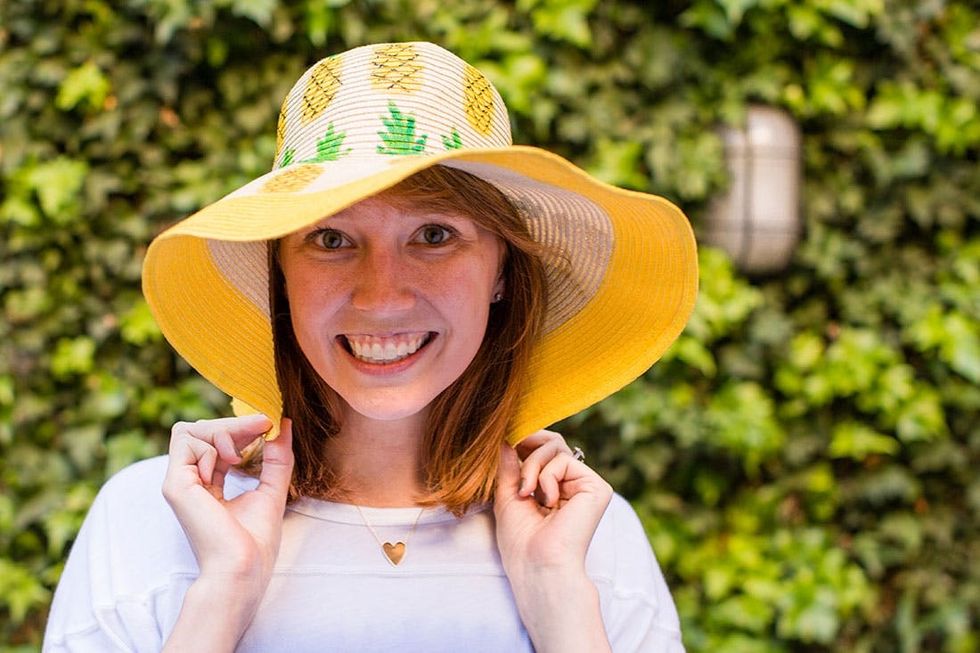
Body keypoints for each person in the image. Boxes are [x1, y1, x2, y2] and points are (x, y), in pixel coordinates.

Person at [43, 42, 698, 652]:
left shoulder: (588, 541)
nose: (381, 296)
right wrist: (220, 593)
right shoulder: (150, 523)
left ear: (501, 269)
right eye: (331, 239)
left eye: (434, 234)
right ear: (281, 276)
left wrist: (564, 606)